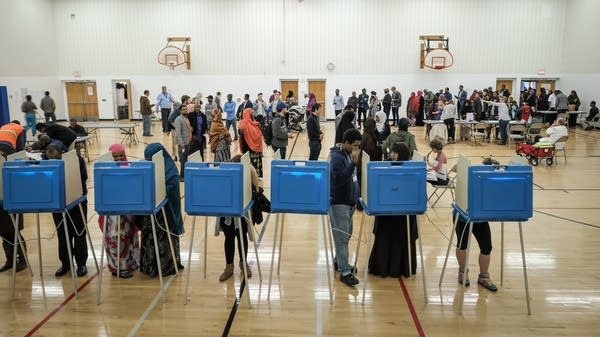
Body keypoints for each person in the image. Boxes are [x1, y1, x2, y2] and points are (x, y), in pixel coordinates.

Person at [368, 142, 419, 278]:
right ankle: (383, 267)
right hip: (387, 210)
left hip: (403, 213)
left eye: (395, 153)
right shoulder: (385, 166)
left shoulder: (411, 170)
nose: (392, 155)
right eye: (391, 152)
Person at [139, 143, 184, 277]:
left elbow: (170, 192)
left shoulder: (171, 173)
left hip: (166, 215)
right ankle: (150, 266)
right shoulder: (150, 168)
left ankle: (166, 267)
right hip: (152, 213)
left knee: (165, 241)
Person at [46, 144, 89, 277]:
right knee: (62, 234)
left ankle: (81, 264)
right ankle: (66, 263)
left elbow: (83, 178)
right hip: (58, 203)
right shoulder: (49, 162)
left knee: (79, 233)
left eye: (56, 158)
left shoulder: (76, 159)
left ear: (62, 152)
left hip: (77, 201)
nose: (54, 161)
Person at [98, 144, 140, 278]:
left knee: (130, 237)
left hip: (128, 211)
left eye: (121, 156)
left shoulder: (129, 168)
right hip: (113, 214)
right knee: (117, 239)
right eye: (115, 157)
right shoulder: (105, 171)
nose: (118, 159)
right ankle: (119, 269)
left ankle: (132, 263)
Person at [217, 154, 260, 281]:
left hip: (243, 211)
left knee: (242, 238)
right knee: (229, 238)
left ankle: (243, 264)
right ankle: (229, 267)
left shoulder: (250, 170)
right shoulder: (225, 172)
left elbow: (256, 190)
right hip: (227, 213)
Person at [329, 128, 362, 287]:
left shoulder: (348, 154)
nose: (357, 149)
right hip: (339, 203)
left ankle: (338, 260)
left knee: (347, 235)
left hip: (349, 202)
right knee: (342, 238)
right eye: (355, 146)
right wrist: (353, 164)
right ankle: (345, 272)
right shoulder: (337, 158)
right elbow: (339, 180)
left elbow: (353, 178)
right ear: (346, 143)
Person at [454, 210, 498, 291]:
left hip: (481, 217)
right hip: (462, 217)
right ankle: (462, 272)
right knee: (462, 245)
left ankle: (483, 277)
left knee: (486, 247)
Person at [238, 108, 264, 177]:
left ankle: (256, 177)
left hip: (256, 148)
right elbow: (240, 131)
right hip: (248, 147)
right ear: (247, 114)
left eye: (253, 113)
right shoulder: (244, 122)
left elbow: (259, 133)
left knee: (256, 165)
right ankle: (251, 178)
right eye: (251, 113)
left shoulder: (254, 123)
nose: (253, 114)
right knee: (250, 166)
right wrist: (241, 129)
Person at [174, 104, 192, 181]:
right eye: (184, 109)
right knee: (183, 160)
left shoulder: (186, 118)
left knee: (186, 159)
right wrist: (181, 144)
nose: (185, 110)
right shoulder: (178, 119)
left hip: (187, 141)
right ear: (180, 111)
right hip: (183, 144)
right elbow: (178, 132)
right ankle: (181, 177)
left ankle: (184, 175)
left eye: (186, 109)